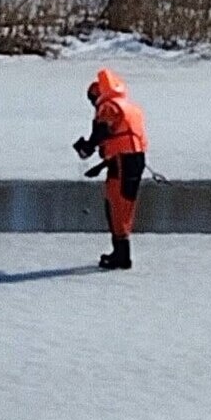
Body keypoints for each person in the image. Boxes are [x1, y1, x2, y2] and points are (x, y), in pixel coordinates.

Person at [73, 68, 148, 270]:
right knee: (124, 205)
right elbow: (123, 140)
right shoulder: (130, 107)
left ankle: (122, 257)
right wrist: (100, 166)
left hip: (123, 162)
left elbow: (102, 133)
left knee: (116, 205)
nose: (92, 104)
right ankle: (120, 252)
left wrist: (86, 148)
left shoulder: (108, 106)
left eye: (92, 99)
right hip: (133, 159)